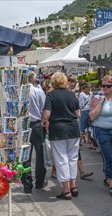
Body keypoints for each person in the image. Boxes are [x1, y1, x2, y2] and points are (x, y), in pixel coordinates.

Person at [41, 72, 81, 200]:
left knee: (61, 159)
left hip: (58, 129)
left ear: (53, 82)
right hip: (73, 129)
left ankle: (66, 190)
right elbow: (78, 113)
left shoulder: (51, 95)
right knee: (72, 158)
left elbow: (46, 114)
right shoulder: (71, 94)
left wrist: (43, 122)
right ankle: (74, 186)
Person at [89, 75, 112, 197]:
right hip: (101, 131)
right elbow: (92, 116)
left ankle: (108, 177)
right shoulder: (97, 98)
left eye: (108, 86)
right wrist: (101, 102)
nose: (105, 88)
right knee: (108, 156)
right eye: (103, 86)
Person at [21, 71, 47, 194]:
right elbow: (44, 109)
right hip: (37, 124)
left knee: (25, 155)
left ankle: (27, 184)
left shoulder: (20, 92)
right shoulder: (38, 91)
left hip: (24, 125)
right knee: (40, 154)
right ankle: (39, 181)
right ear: (33, 79)